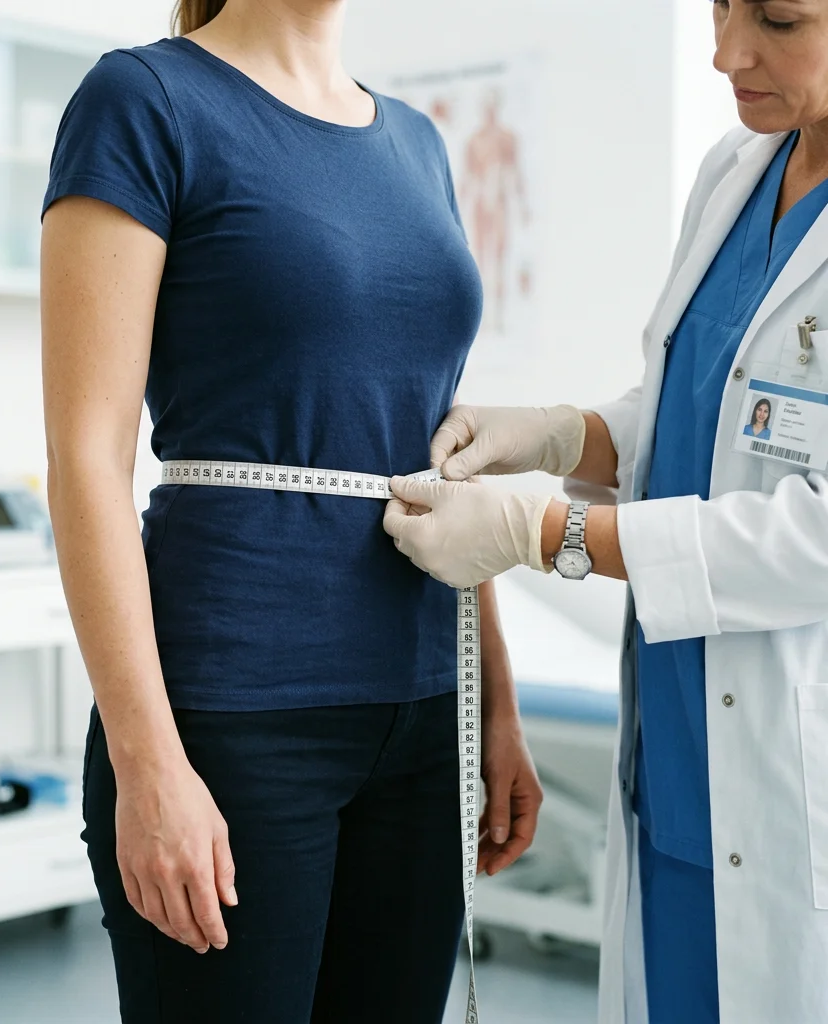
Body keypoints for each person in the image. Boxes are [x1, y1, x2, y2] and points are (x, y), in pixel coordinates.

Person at [40, 1, 542, 1021]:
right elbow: (86, 458)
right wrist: (150, 768)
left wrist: (492, 699)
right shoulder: (144, 101)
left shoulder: (416, 142)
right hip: (233, 717)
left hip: (424, 706)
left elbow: (432, 451)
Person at [384, 1, 828, 1021]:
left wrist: (546, 534)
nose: (725, 52)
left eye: (777, 19)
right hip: (675, 777)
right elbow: (702, 420)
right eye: (717, 5)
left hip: (787, 790)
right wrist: (556, 435)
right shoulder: (736, 171)